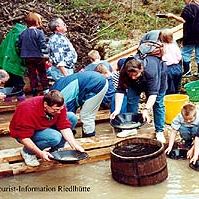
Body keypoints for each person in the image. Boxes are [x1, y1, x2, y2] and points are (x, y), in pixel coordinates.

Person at [9, 90, 84, 167]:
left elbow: (64, 126)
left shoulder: (59, 106)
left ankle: (56, 149)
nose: (58, 112)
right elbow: (23, 137)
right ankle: (27, 152)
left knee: (72, 117)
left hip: (44, 124)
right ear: (45, 104)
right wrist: (40, 153)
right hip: (24, 134)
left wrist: (74, 145)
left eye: (60, 109)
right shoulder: (27, 109)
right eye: (56, 110)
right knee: (55, 137)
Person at [110, 55, 168, 143]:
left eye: (135, 74)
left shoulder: (150, 71)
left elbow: (153, 95)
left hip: (159, 76)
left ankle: (159, 131)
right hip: (136, 83)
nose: (133, 77)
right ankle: (132, 127)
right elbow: (120, 90)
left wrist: (145, 110)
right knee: (131, 100)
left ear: (141, 70)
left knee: (158, 103)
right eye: (130, 75)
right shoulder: (124, 70)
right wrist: (117, 110)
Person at [50, 71, 108, 137]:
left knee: (87, 115)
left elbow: (68, 114)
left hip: (96, 84)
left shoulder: (60, 97)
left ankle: (89, 137)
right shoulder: (54, 92)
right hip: (93, 80)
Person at [18, 12, 49, 96]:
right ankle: (45, 88)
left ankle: (34, 89)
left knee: (32, 73)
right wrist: (47, 48)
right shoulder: (39, 32)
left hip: (26, 56)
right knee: (42, 72)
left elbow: (19, 44)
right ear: (37, 22)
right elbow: (42, 45)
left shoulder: (22, 33)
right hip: (37, 55)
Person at [167, 0, 199, 76]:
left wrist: (172, 16)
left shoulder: (190, 6)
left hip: (191, 35)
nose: (184, 1)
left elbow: (183, 20)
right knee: (198, 54)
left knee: (185, 53)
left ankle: (187, 72)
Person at [0, 23, 27, 101]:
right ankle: (22, 101)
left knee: (9, 83)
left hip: (4, 61)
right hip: (14, 63)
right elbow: (21, 50)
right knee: (19, 84)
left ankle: (7, 100)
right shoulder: (21, 34)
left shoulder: (11, 33)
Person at [160, 29, 183, 94]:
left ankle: (169, 96)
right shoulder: (174, 46)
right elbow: (179, 57)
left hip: (167, 68)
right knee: (177, 84)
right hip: (177, 67)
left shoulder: (161, 47)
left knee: (167, 85)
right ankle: (177, 94)